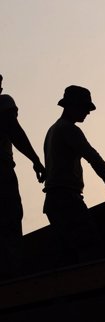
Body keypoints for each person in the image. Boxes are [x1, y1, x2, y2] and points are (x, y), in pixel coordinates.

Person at [43, 85, 105, 263]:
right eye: (85, 108)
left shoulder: (52, 130)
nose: (88, 112)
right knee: (90, 248)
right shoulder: (68, 129)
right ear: (72, 106)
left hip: (54, 201)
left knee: (69, 255)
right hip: (66, 199)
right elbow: (94, 158)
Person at [0, 74, 46, 243]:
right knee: (9, 223)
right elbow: (16, 133)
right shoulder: (3, 103)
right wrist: (35, 160)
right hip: (2, 173)